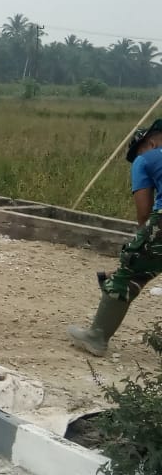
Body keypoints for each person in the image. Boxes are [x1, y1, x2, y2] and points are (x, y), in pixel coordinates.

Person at [68, 120, 162, 357]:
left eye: (138, 152)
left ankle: (97, 337)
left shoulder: (146, 159)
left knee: (129, 272)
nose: (137, 158)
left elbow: (144, 212)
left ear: (150, 142)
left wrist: (139, 255)